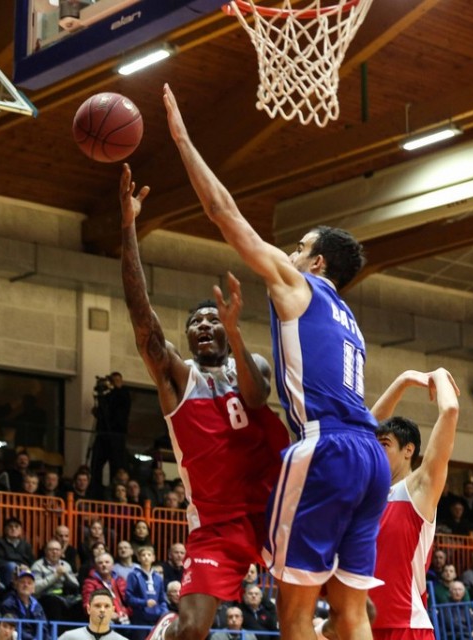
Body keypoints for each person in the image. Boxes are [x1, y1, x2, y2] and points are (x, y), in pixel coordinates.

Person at [162, 85, 390, 640]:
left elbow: (223, 214)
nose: (284, 254)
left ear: (315, 262)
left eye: (296, 247)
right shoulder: (349, 321)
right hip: (372, 457)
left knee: (294, 614)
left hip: (326, 447)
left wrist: (182, 139)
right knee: (351, 614)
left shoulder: (301, 285)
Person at [119, 163, 288, 640]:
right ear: (188, 339)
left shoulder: (250, 363)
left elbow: (257, 399)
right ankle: (164, 631)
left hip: (273, 508)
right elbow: (142, 318)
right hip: (214, 523)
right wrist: (128, 227)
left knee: (328, 606)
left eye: (215, 320)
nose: (207, 326)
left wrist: (235, 333)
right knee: (193, 630)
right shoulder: (179, 378)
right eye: (198, 323)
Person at [360, 368, 459, 640]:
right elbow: (360, 433)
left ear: (408, 450)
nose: (376, 449)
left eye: (385, 444)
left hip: (406, 627)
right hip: (361, 626)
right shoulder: (368, 491)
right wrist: (402, 379)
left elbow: (449, 410)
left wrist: (438, 376)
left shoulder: (418, 488)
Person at [57, 589, 129, 640]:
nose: (102, 610)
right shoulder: (69, 637)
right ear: (88, 609)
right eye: (97, 606)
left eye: (107, 606)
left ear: (113, 610)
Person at [125, 546, 168, 629]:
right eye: (143, 555)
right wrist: (144, 602)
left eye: (149, 555)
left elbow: (162, 599)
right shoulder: (133, 575)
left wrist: (163, 612)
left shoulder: (158, 577)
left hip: (157, 618)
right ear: (138, 558)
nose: (146, 557)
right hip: (139, 618)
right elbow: (128, 598)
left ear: (153, 558)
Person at [0, 570, 46, 640]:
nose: (26, 585)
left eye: (29, 583)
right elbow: (14, 628)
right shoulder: (8, 604)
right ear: (16, 585)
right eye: (22, 582)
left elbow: (44, 628)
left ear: (33, 589)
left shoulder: (37, 605)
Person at [0, 518, 34, 587]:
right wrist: (17, 566)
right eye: (10, 526)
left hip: (23, 571)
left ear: (20, 530)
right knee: (11, 566)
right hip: (4, 573)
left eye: (16, 526)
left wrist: (25, 566)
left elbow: (31, 561)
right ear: (5, 529)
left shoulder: (26, 544)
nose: (13, 529)